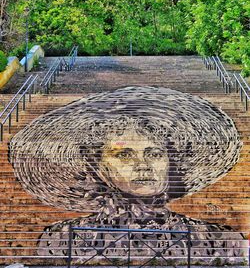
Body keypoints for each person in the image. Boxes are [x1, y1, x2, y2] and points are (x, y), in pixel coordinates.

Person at [10, 86, 247, 265]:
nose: (143, 165)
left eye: (154, 153)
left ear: (170, 162)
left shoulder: (220, 241)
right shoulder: (61, 240)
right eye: (124, 154)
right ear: (99, 168)